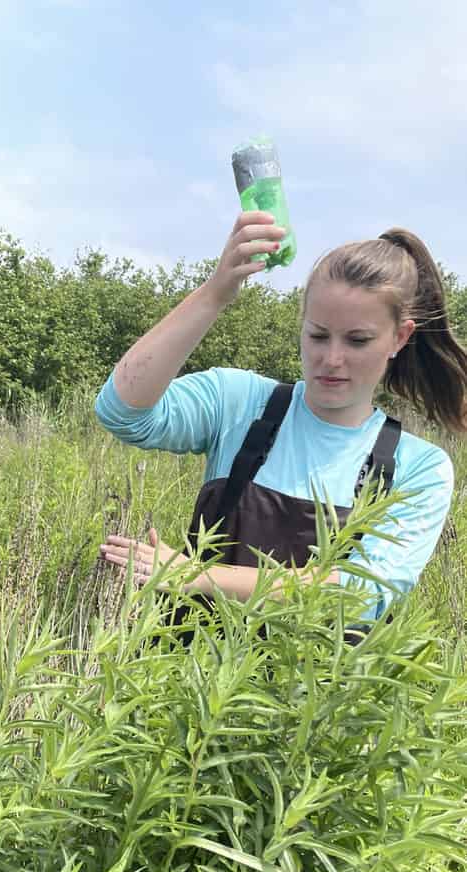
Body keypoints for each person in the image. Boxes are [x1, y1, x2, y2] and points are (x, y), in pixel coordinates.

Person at [95, 213, 467, 623]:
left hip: (318, 686)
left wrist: (197, 575)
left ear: (400, 337)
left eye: (358, 340)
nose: (332, 359)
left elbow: (357, 596)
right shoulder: (239, 402)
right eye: (318, 335)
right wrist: (216, 292)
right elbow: (123, 413)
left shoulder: (419, 468)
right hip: (192, 679)